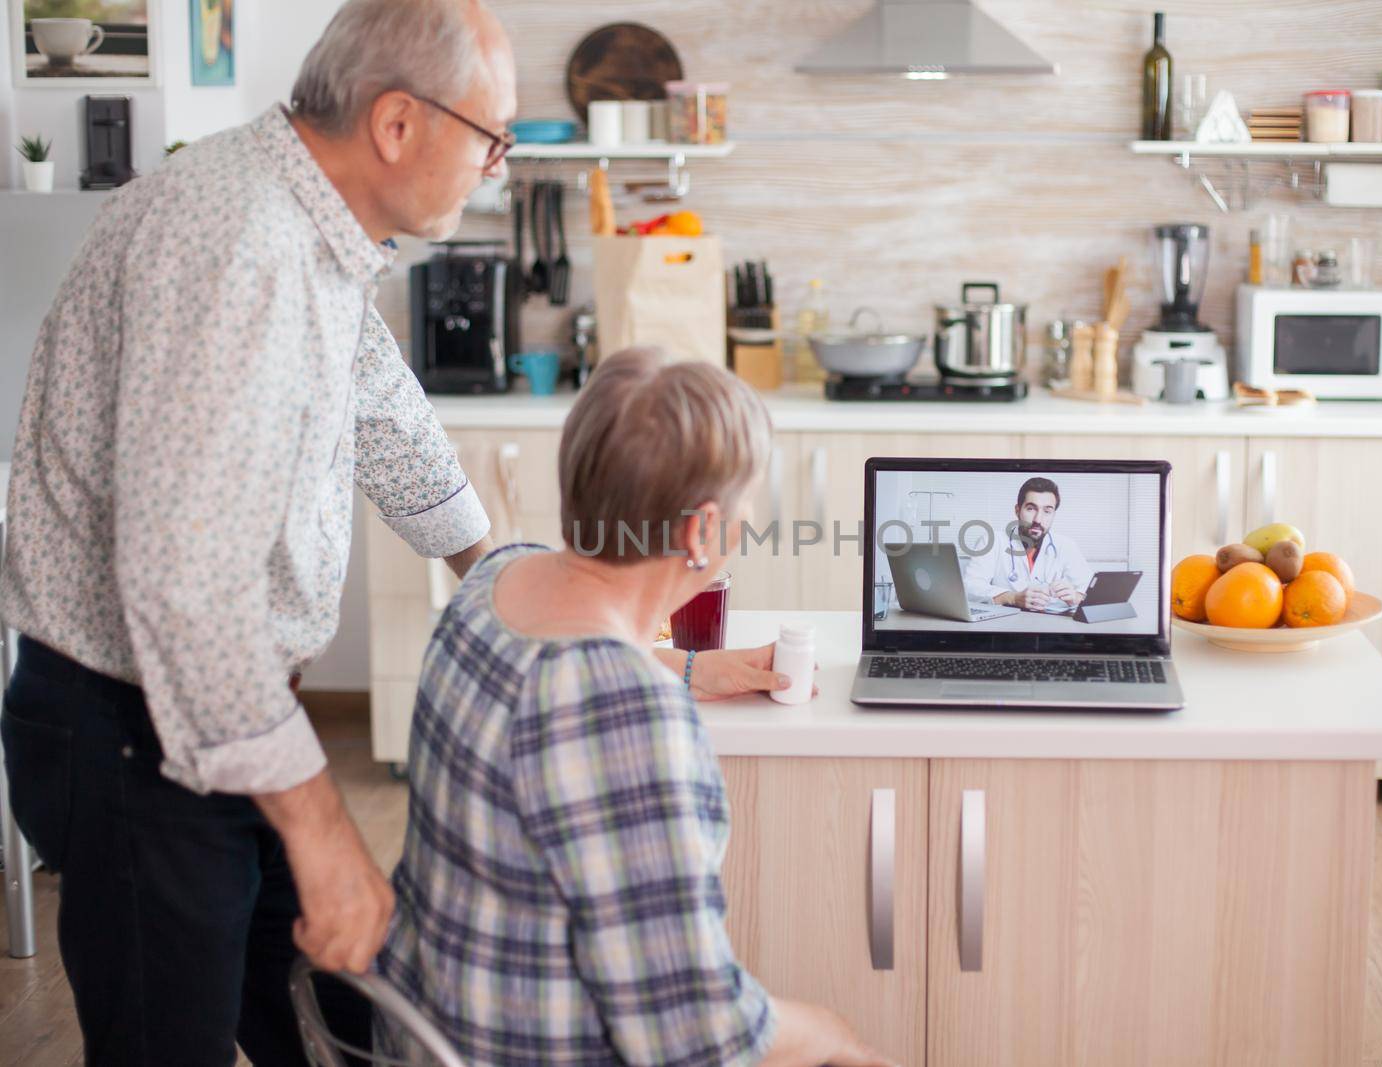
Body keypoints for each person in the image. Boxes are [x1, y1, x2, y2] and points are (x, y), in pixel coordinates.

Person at [0, 1, 776, 1061]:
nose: (499, 164)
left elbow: (384, 410)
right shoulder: (242, 249)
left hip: (216, 707)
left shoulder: (309, 222)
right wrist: (322, 832)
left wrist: (506, 571)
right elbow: (184, 589)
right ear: (399, 124)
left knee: (317, 1007)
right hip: (132, 721)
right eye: (491, 135)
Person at [378, 348, 893, 1067]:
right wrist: (835, 1033)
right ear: (702, 532)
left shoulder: (493, 580)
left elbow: (564, 666)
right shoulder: (630, 718)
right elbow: (695, 1036)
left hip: (420, 1033)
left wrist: (690, 666)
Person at [963, 476, 1093, 611]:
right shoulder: (992, 541)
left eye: (1047, 511)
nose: (1038, 519)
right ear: (1017, 510)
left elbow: (1091, 591)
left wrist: (1076, 597)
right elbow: (970, 587)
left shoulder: (1066, 546)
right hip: (1005, 625)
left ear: (1054, 514)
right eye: (1031, 509)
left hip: (1053, 625)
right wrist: (1013, 598)